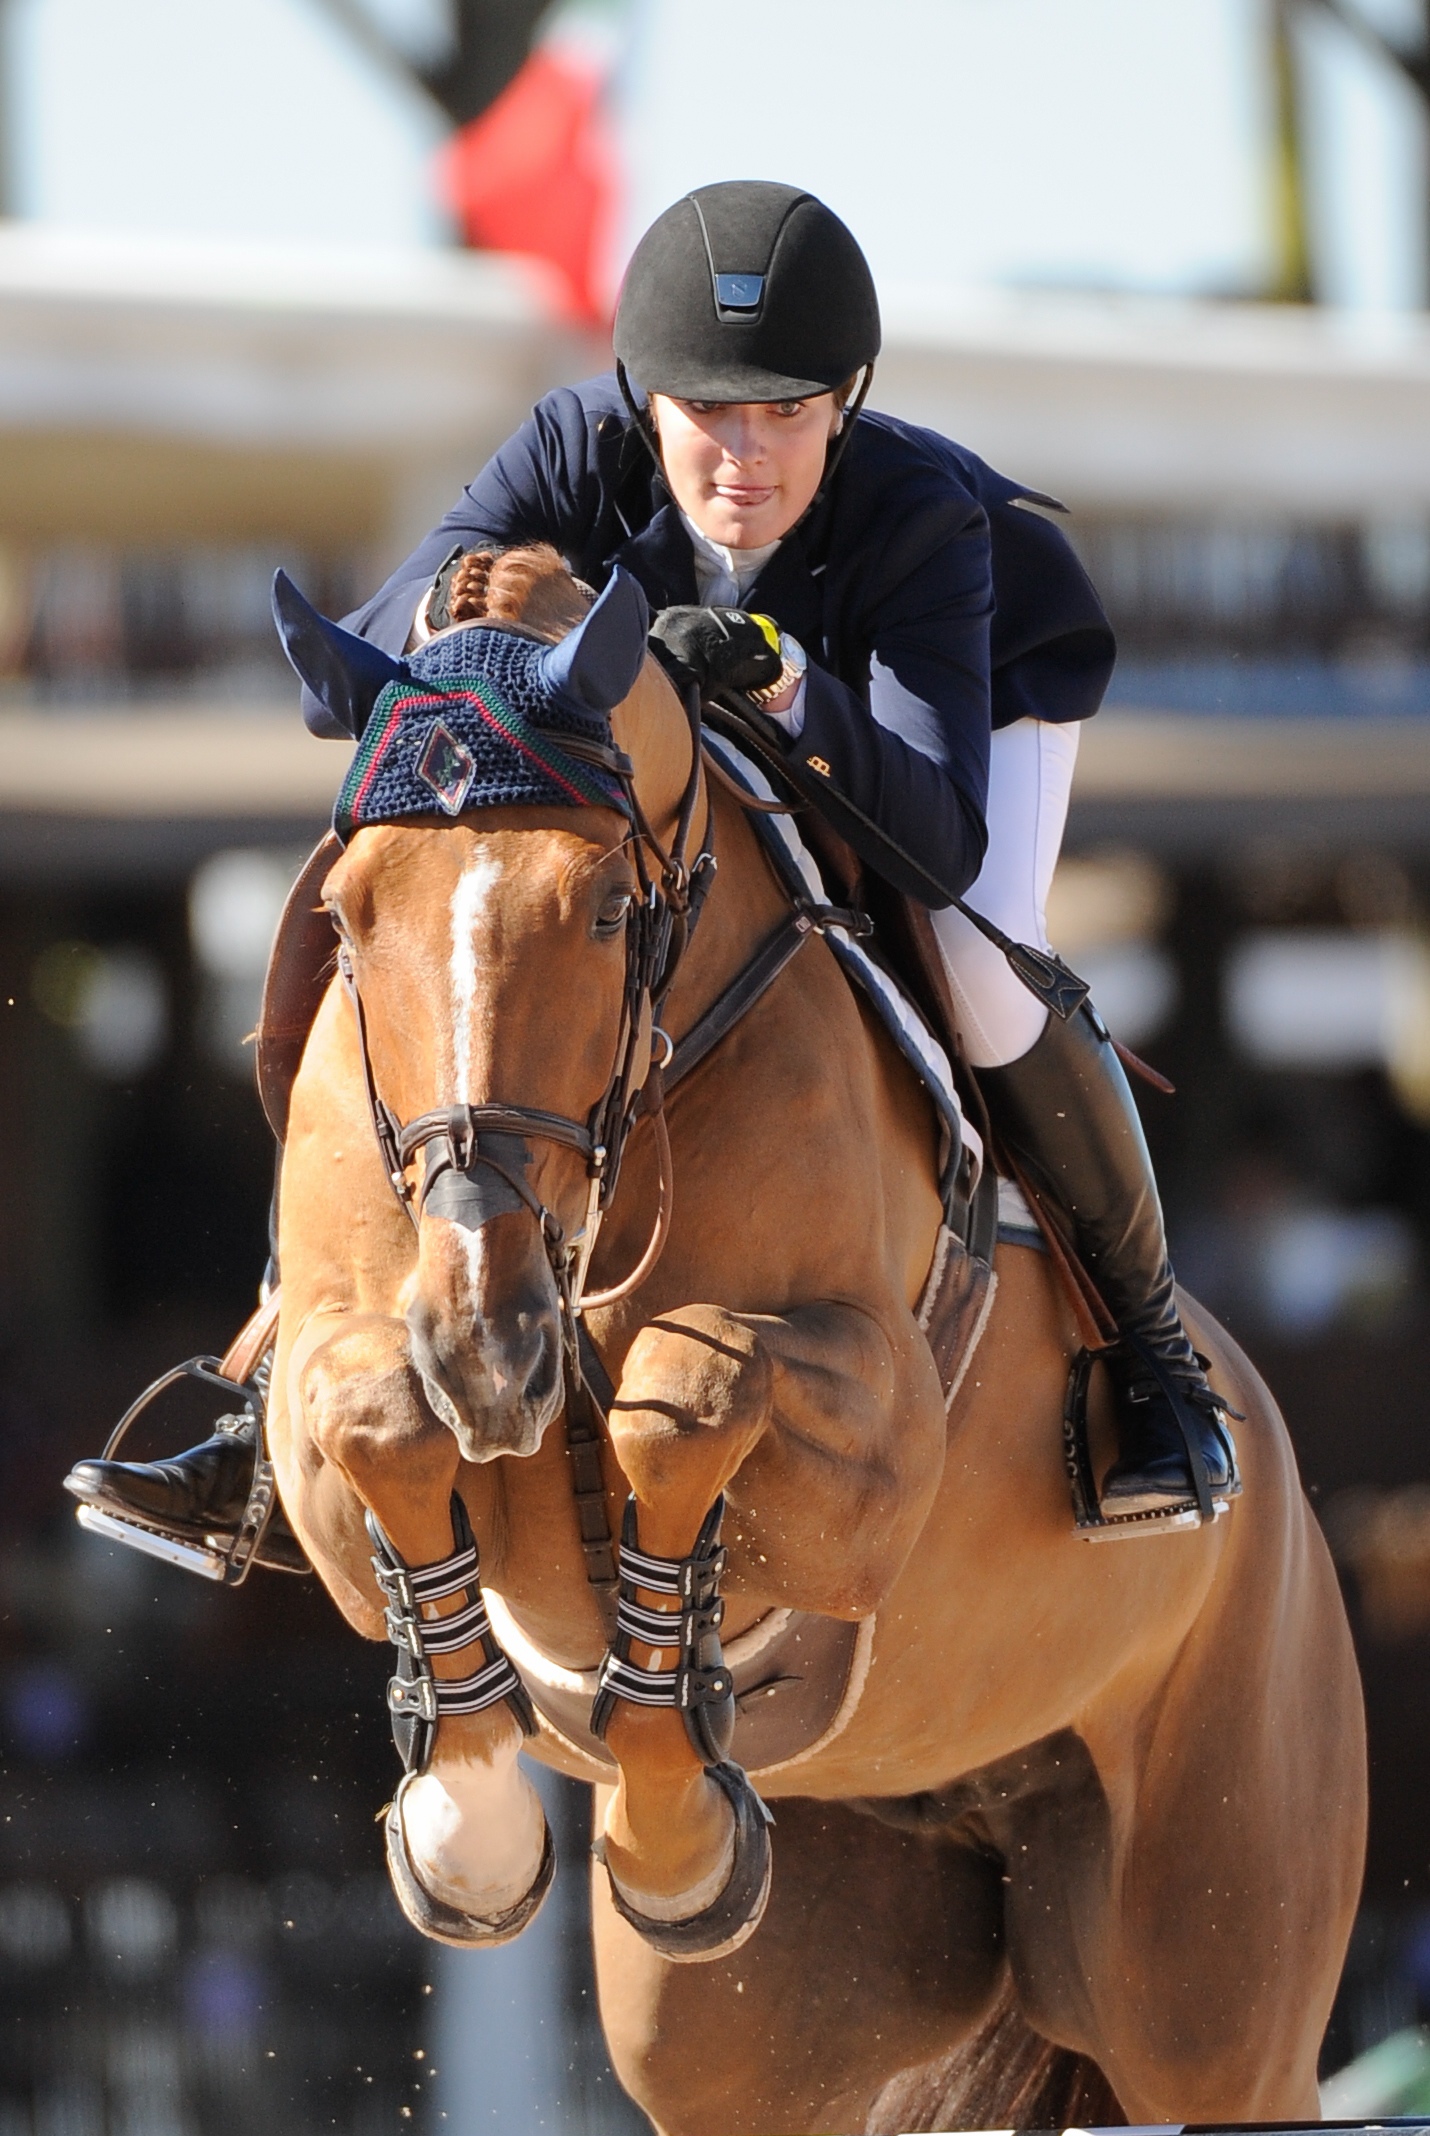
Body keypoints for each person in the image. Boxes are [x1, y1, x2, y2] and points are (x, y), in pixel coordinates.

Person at [68, 180, 1237, 1554]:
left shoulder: (920, 516)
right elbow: (354, 687)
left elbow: (932, 833)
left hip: (963, 713)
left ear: (846, 399)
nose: (744, 457)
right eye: (706, 413)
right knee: (438, 950)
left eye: (788, 412)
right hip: (689, 757)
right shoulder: (569, 445)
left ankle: (1154, 1364)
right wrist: (464, 595)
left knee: (980, 969)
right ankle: (262, 1388)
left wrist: (788, 682)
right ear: (641, 395)